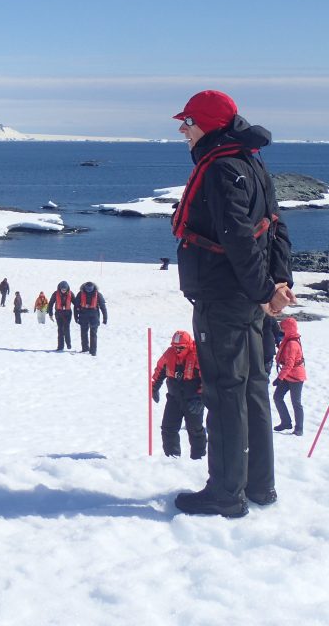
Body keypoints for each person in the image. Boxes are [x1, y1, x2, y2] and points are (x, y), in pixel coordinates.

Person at [170, 90, 295, 518]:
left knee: (225, 392)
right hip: (248, 297)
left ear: (207, 122)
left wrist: (266, 292)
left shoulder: (222, 167)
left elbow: (238, 237)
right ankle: (259, 486)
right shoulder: (250, 160)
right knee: (254, 389)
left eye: (188, 121)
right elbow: (276, 226)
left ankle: (226, 493)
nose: (183, 129)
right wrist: (277, 284)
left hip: (224, 298)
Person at [151, 330, 207, 460]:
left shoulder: (198, 355)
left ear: (188, 345)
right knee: (168, 428)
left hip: (193, 400)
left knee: (195, 430)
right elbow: (160, 370)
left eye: (180, 347)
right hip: (174, 399)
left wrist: (201, 398)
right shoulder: (169, 354)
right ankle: (172, 458)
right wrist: (154, 387)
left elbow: (207, 379)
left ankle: (198, 458)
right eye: (175, 347)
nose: (177, 350)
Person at [273, 317, 306, 436]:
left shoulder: (292, 343)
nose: (281, 330)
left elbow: (290, 364)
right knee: (277, 397)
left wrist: (279, 378)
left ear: (288, 329)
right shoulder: (288, 340)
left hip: (296, 377)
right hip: (288, 375)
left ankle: (299, 428)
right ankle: (286, 422)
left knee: (296, 402)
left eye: (283, 328)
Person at [73, 281, 108, 356]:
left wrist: (105, 318)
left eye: (90, 289)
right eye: (87, 289)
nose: (88, 291)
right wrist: (76, 317)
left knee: (91, 334)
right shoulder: (80, 294)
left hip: (93, 316)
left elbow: (103, 307)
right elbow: (76, 306)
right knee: (85, 333)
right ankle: (86, 349)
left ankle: (92, 351)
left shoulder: (98, 295)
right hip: (84, 315)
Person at [47, 281, 73, 351]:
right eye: (62, 289)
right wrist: (50, 314)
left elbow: (76, 303)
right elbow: (50, 304)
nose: (63, 291)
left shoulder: (71, 294)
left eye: (65, 289)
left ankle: (68, 344)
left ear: (67, 289)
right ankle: (60, 346)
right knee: (60, 330)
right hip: (59, 314)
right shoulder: (55, 294)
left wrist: (79, 311)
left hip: (68, 314)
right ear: (60, 288)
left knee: (66, 329)